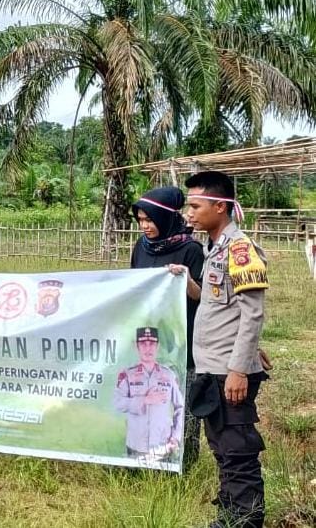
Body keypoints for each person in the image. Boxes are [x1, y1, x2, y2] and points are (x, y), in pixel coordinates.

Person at [184, 171, 270, 528]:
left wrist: (239, 368)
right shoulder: (213, 248)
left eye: (195, 206)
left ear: (220, 207)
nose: (188, 213)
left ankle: (245, 520)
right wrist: (186, 283)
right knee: (222, 449)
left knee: (237, 452)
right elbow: (218, 302)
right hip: (212, 366)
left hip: (228, 371)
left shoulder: (241, 249)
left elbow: (253, 313)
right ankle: (229, 516)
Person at [130, 186, 203, 467]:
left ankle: (183, 463)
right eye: (140, 220)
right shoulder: (141, 247)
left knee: (181, 403)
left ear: (165, 217)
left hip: (181, 339)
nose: (145, 226)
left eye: (150, 220)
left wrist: (185, 279)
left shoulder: (191, 250)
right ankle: (145, 457)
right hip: (149, 338)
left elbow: (202, 297)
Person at [112, 327, 184, 461]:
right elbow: (117, 403)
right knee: (132, 481)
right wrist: (144, 400)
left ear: (158, 346)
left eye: (152, 344)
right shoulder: (128, 375)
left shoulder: (169, 375)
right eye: (143, 344)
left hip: (162, 447)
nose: (148, 348)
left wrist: (176, 436)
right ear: (136, 346)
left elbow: (180, 407)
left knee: (163, 482)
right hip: (136, 447)